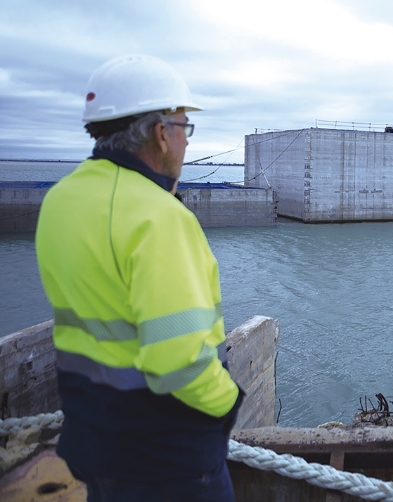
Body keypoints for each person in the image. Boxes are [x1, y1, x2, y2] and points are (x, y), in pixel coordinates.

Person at [35, 54, 243, 501]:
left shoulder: (60, 200)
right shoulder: (158, 218)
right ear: (160, 133)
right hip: (166, 458)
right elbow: (179, 362)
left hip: (93, 441)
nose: (187, 142)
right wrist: (229, 404)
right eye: (184, 128)